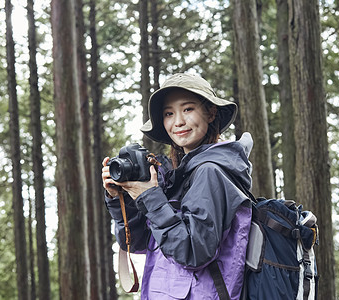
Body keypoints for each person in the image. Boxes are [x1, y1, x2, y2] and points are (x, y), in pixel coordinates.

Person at [102, 73, 253, 299]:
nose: (178, 121)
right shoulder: (179, 177)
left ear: (211, 113)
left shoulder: (211, 172)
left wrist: (151, 198)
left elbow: (193, 252)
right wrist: (121, 200)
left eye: (188, 109)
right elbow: (140, 242)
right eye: (169, 113)